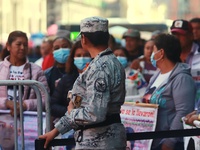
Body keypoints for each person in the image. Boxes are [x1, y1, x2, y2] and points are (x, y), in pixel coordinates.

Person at [39, 16, 127, 150]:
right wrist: (56, 131)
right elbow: (83, 105)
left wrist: (71, 111)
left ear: (84, 39)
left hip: (99, 142)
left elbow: (94, 113)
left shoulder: (100, 67)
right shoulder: (110, 62)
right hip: (100, 139)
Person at [143, 34, 196, 150]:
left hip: (168, 143)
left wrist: (169, 142)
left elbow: (183, 112)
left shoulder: (182, 78)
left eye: (154, 50)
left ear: (161, 53)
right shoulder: (156, 76)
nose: (152, 54)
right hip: (152, 140)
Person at [0, 30, 49, 114]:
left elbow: (45, 99)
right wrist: (6, 103)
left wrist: (25, 105)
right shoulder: (0, 68)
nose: (22, 47)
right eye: (18, 44)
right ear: (8, 46)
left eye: (25, 45)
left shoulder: (36, 70)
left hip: (27, 123)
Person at [51, 40, 90, 118]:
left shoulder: (98, 76)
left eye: (86, 55)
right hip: (71, 122)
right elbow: (53, 105)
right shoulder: (67, 79)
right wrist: (71, 111)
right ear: (73, 58)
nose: (82, 58)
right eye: (78, 56)